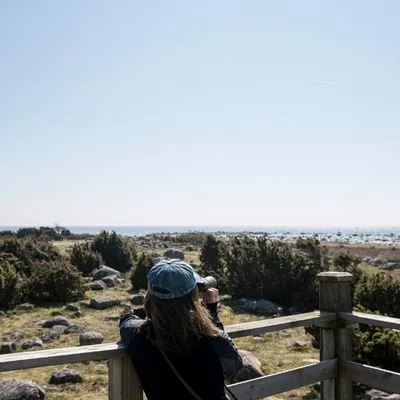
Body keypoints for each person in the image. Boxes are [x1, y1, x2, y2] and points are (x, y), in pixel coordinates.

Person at [119, 258, 243, 400]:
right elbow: (234, 366)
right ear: (192, 298)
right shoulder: (214, 341)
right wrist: (212, 314)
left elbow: (126, 320)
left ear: (150, 298)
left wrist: (151, 309)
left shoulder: (139, 336)